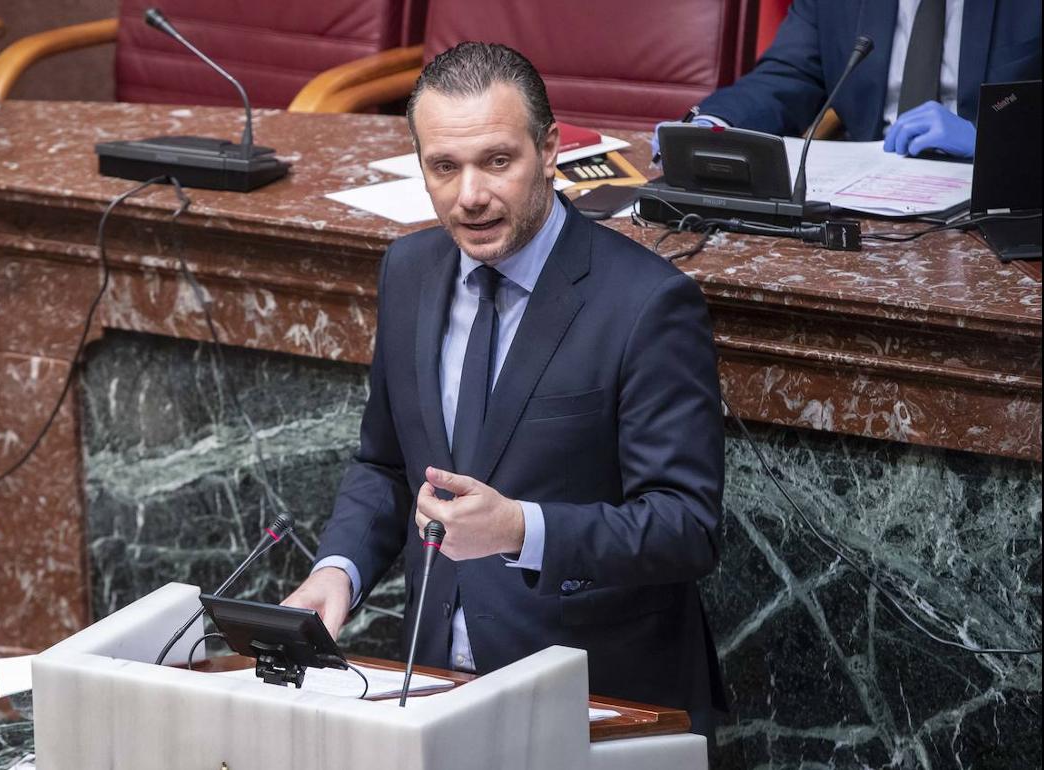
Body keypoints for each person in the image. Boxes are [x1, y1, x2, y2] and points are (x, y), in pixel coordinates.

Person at [284, 42, 727, 742]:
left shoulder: (646, 303)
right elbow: (386, 464)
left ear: (547, 151)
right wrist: (337, 572)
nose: (470, 195)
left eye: (497, 161)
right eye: (444, 167)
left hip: (595, 698)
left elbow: (686, 527)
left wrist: (521, 530)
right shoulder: (408, 270)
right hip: (433, 689)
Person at [654, 0, 1041, 159]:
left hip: (995, 201)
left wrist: (989, 143)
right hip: (871, 198)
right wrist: (716, 124)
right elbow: (791, 73)